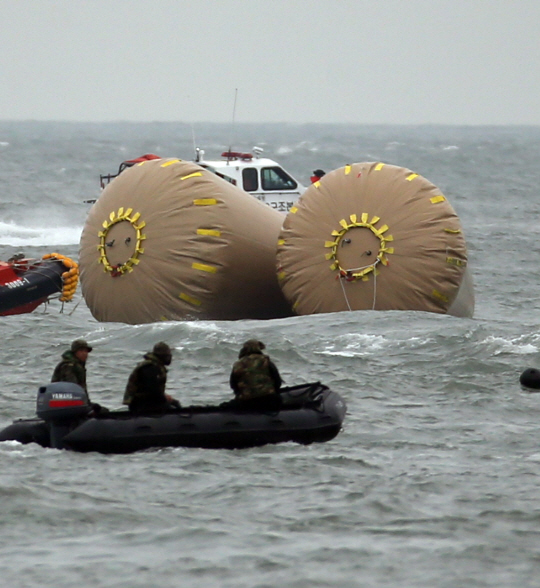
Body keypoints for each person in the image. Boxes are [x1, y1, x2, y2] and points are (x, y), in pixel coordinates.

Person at [123, 342, 181, 414]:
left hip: (147, 401)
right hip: (141, 404)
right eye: (168, 355)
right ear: (163, 356)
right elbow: (153, 390)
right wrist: (165, 399)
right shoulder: (150, 368)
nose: (170, 357)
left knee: (175, 404)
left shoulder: (154, 365)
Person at [51, 339, 107, 414]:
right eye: (81, 351)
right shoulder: (69, 366)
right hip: (68, 405)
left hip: (76, 403)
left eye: (86, 351)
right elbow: (72, 388)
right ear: (75, 352)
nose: (85, 354)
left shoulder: (78, 366)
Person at [229, 340, 282, 411]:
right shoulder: (265, 360)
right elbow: (277, 381)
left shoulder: (238, 364)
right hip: (268, 399)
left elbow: (233, 385)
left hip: (246, 402)